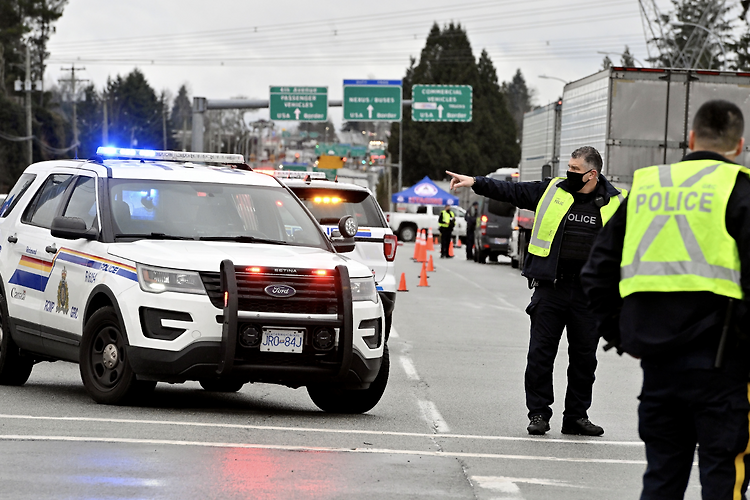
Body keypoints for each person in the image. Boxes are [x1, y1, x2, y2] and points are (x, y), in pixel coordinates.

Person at [581, 99, 750, 499]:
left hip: (658, 363)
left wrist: (623, 335)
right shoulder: (741, 191)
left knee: (662, 477)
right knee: (723, 475)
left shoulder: (647, 188)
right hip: (723, 368)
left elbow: (597, 272)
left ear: (690, 139)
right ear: (739, 146)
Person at [447, 146, 627, 436]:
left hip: (589, 295)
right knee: (540, 356)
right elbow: (512, 191)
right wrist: (476, 182)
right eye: (568, 167)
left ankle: (576, 417)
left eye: (575, 170)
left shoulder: (617, 203)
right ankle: (539, 414)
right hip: (551, 289)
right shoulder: (552, 190)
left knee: (584, 360)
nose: (569, 173)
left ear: (593, 174)